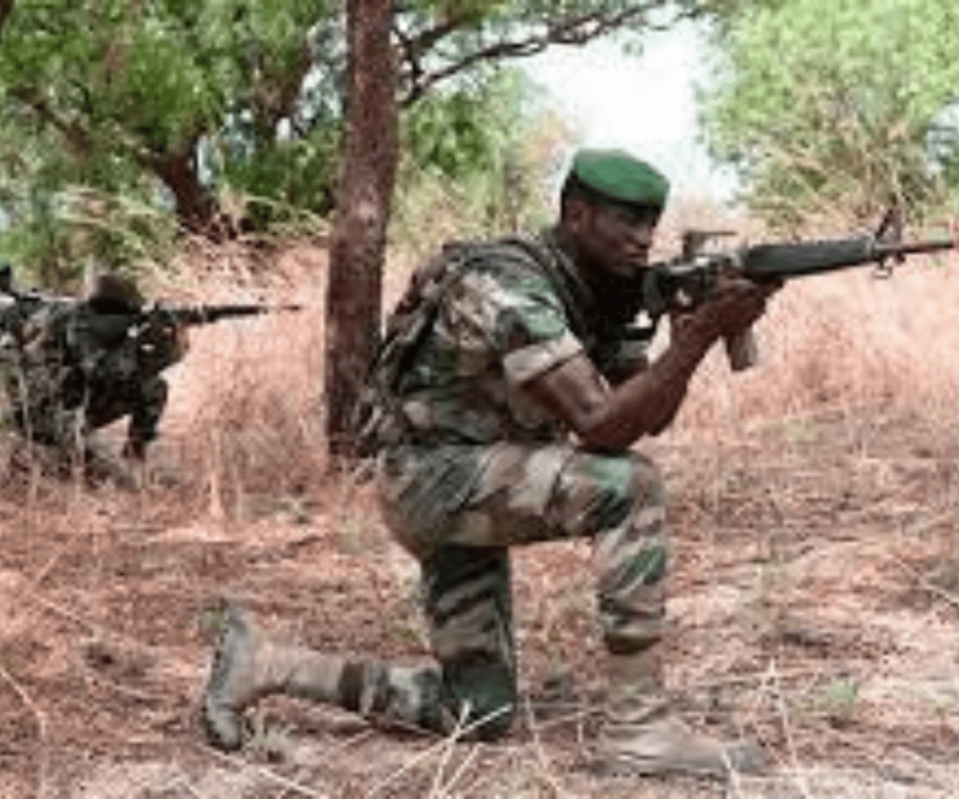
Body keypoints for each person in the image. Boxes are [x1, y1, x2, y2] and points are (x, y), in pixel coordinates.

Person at [202, 149, 777, 777]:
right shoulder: (507, 285)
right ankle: (639, 729)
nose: (643, 239)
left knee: (477, 712)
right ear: (578, 214)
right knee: (631, 487)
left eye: (651, 223)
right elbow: (600, 428)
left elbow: (644, 416)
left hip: (467, 481)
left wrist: (682, 334)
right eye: (628, 221)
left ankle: (267, 665)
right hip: (434, 483)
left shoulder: (591, 289)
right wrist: (695, 338)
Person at [0, 270, 182, 486]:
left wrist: (166, 343)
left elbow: (132, 373)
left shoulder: (87, 323)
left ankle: (135, 455)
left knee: (153, 387)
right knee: (112, 479)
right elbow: (97, 371)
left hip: (74, 406)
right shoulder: (66, 326)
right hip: (41, 417)